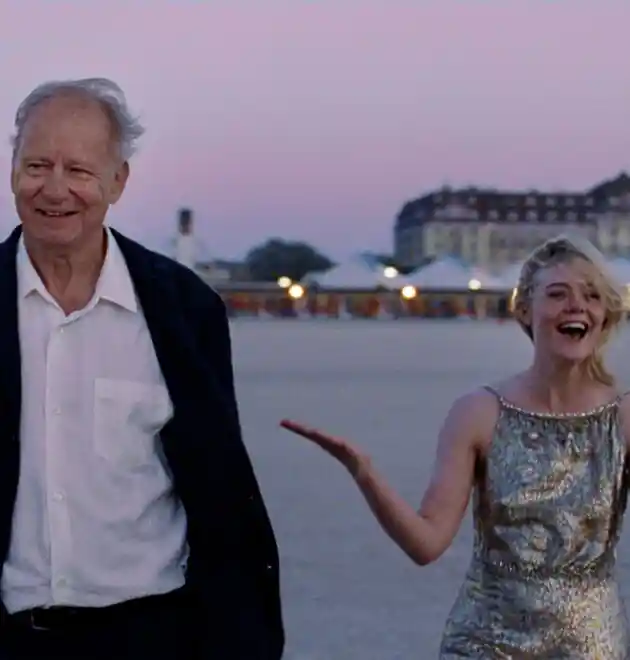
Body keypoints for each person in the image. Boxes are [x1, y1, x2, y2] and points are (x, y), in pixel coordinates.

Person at [0, 78, 283, 659]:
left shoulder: (185, 309)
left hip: (152, 635)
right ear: (12, 170)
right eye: (37, 166)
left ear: (118, 181)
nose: (54, 189)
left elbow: (220, 487)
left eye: (79, 170)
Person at [281, 234, 630, 658]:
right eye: (558, 294)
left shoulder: (622, 417)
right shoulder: (479, 412)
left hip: (590, 646)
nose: (577, 306)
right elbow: (426, 544)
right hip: (485, 643)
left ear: (605, 314)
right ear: (524, 308)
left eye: (592, 295)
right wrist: (364, 472)